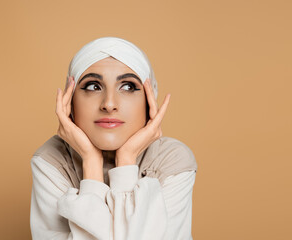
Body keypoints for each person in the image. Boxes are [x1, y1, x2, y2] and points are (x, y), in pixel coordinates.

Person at [29, 36, 198, 240]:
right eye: (93, 86)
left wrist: (126, 159)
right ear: (70, 100)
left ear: (149, 98)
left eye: (127, 87)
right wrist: (91, 161)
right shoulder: (51, 161)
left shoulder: (172, 161)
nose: (109, 104)